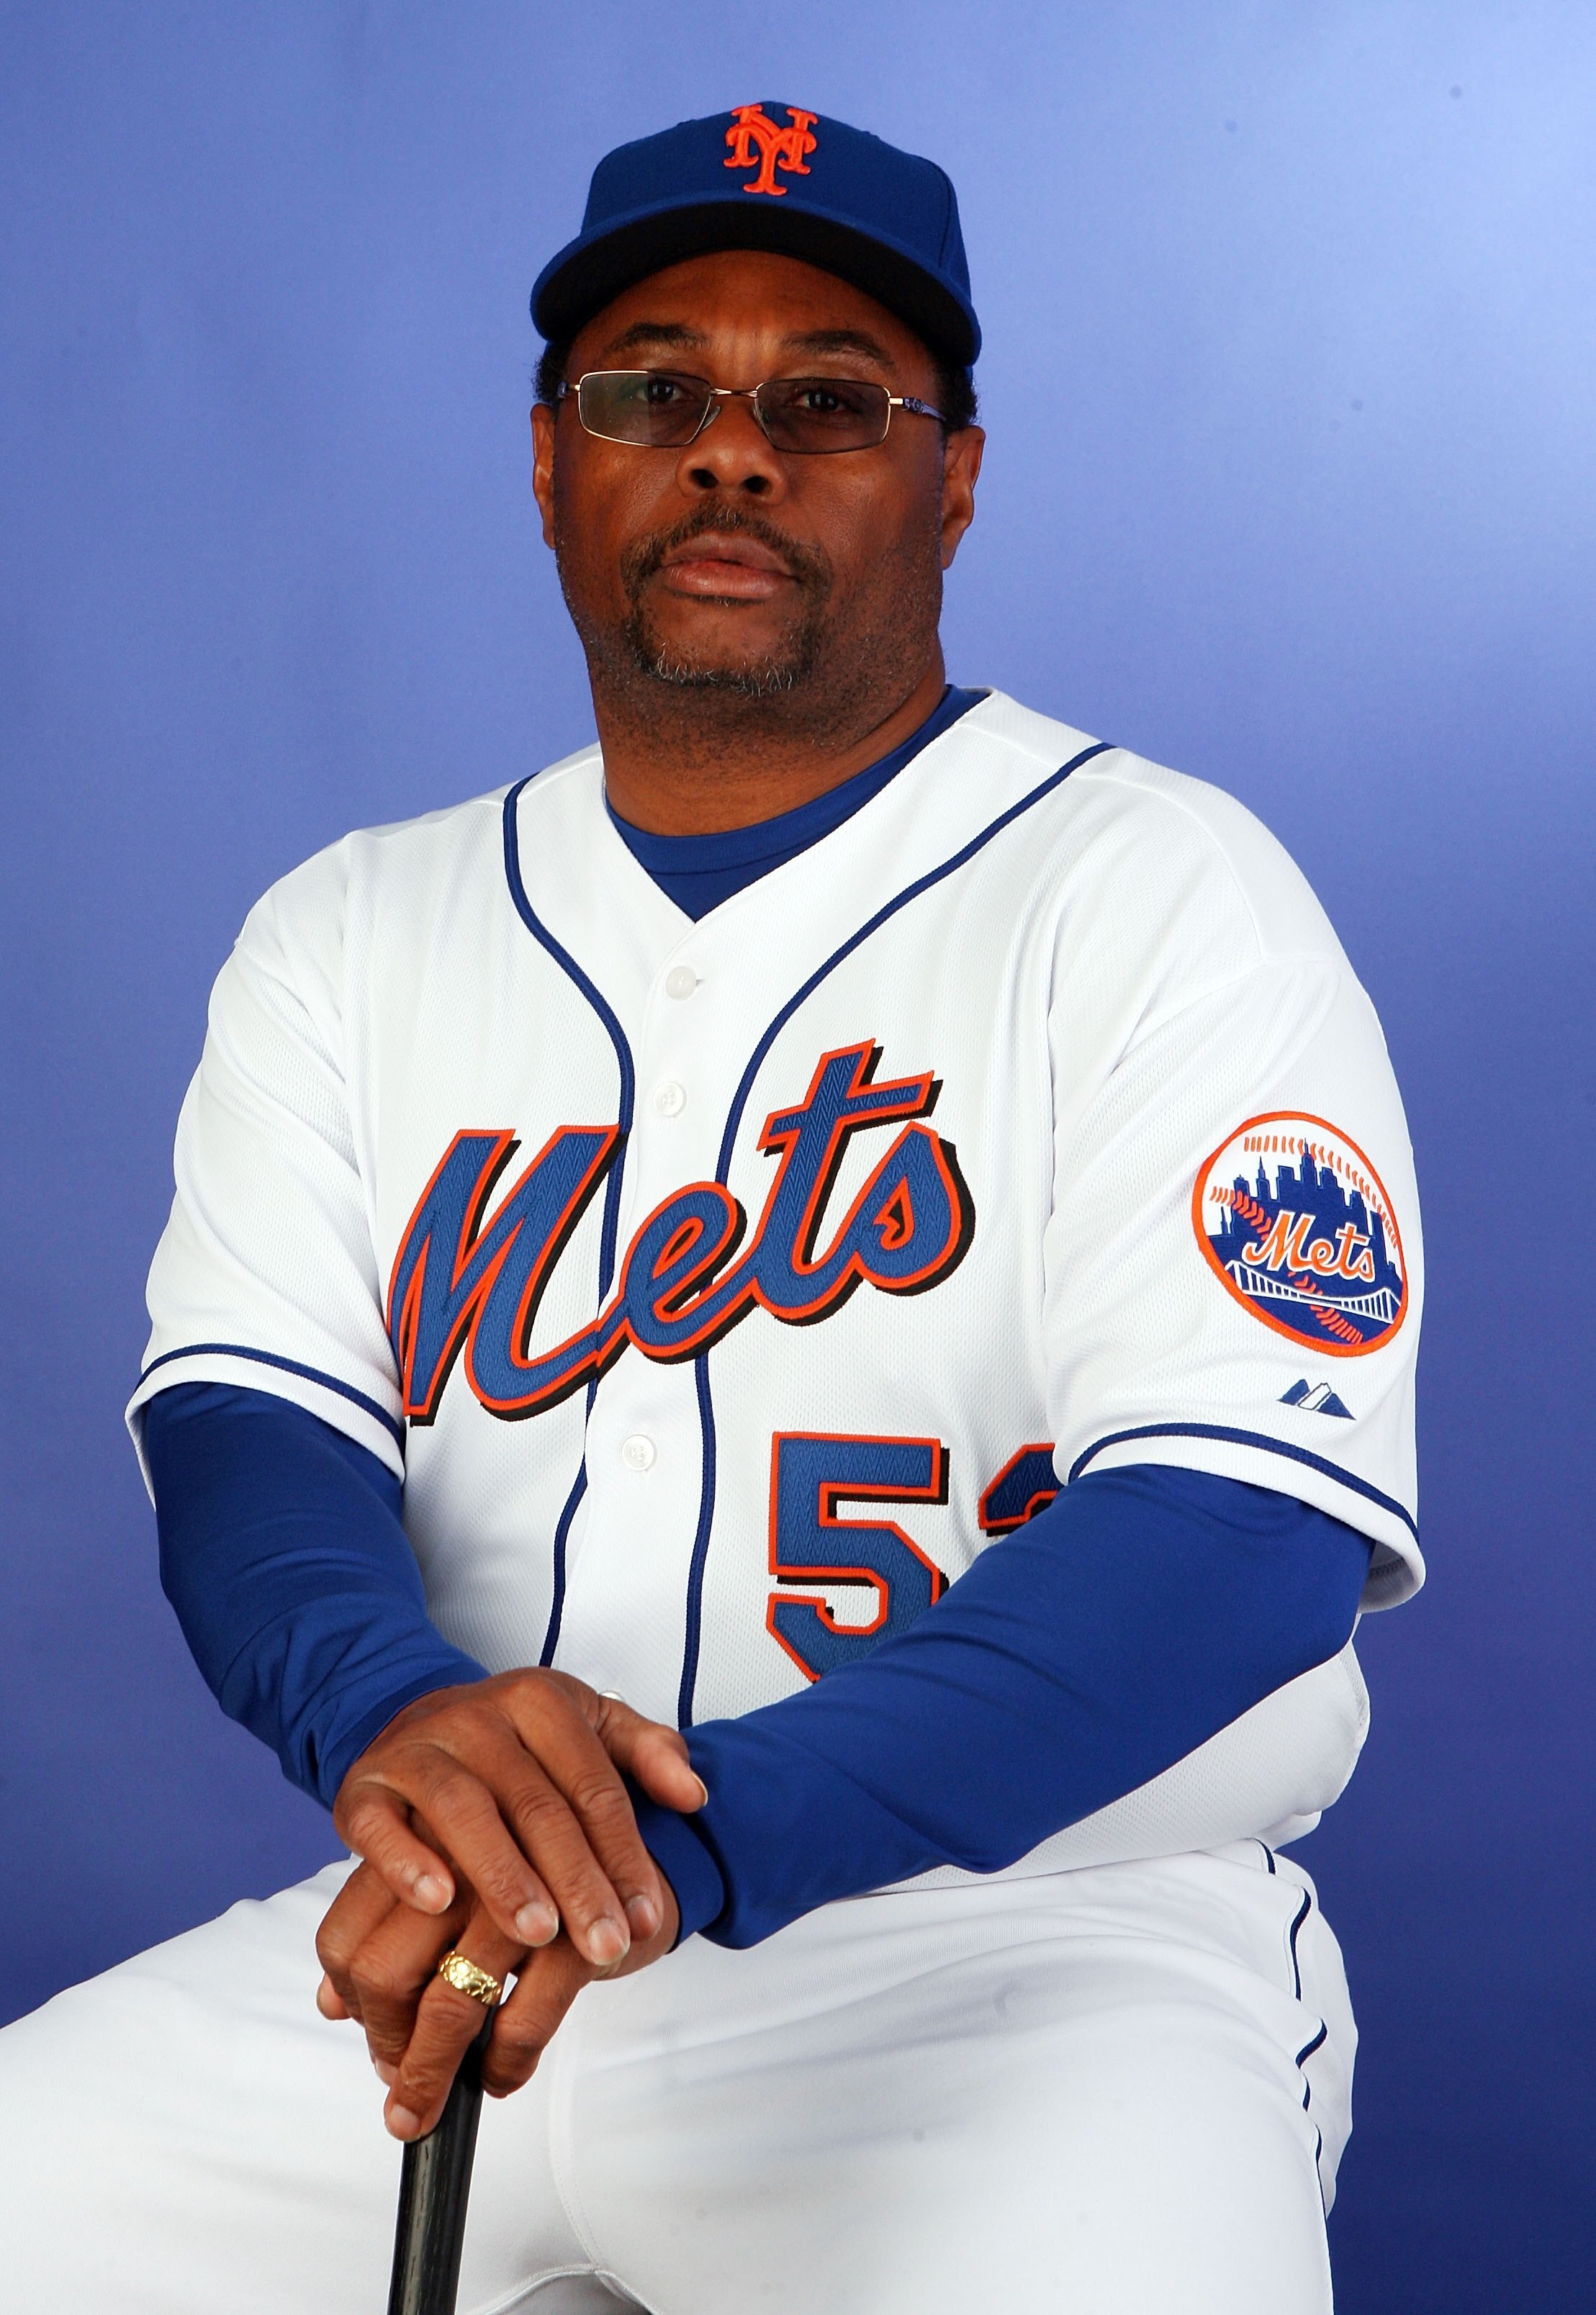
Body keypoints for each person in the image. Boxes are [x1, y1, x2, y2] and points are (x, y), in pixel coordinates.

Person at [0, 104, 1423, 2312]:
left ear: (953, 477)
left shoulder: (1157, 890)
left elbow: (1242, 1530)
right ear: (550, 462)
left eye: (826, 400)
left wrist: (671, 1842)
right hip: (447, 1936)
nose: (730, 451)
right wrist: (397, 1725)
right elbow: (251, 1435)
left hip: (1035, 1956)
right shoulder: (351, 929)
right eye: (651, 393)